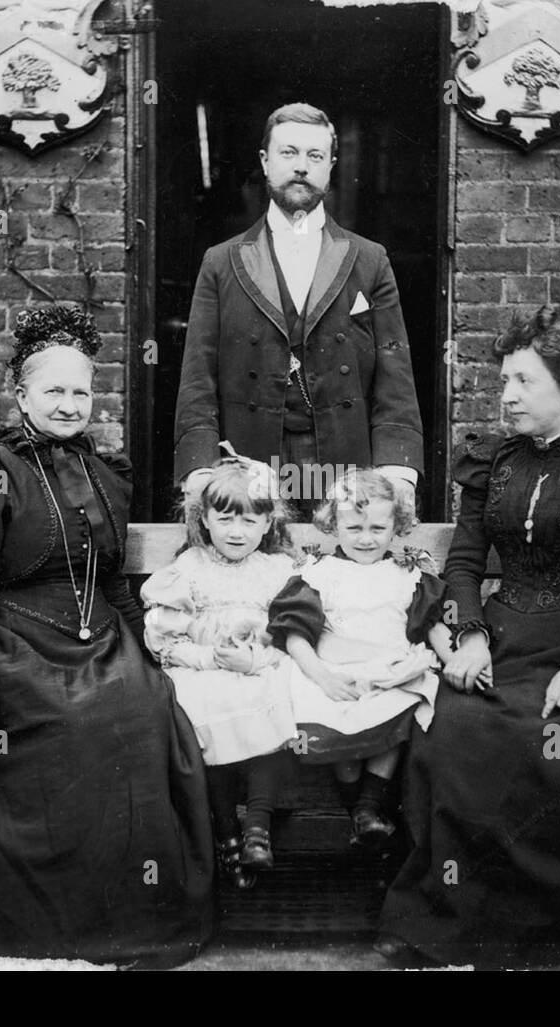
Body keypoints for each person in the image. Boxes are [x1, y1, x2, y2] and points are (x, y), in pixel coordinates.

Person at [0, 304, 215, 965]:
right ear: (23, 395)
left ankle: (117, 914)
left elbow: (113, 580)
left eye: (80, 391)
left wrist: (155, 651)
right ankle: (28, 923)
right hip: (1, 637)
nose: (68, 404)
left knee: (143, 712)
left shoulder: (105, 473)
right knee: (62, 726)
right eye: (53, 391)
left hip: (94, 636)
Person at [377, 305, 560, 968]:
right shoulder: (492, 465)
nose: (506, 396)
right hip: (504, 637)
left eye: (522, 381)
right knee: (451, 732)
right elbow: (462, 563)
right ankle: (462, 925)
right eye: (503, 381)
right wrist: (472, 635)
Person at [174, 102, 423, 517]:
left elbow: (394, 373)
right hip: (249, 460)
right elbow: (198, 374)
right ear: (265, 161)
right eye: (289, 153)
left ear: (331, 165)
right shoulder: (221, 262)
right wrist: (201, 468)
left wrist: (396, 469)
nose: (302, 167)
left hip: (343, 460)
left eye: (315, 156)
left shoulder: (369, 259)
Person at [267, 469, 451, 845]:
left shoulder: (406, 574)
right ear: (333, 525)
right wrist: (322, 677)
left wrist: (455, 658)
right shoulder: (319, 573)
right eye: (354, 529)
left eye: (377, 529)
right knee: (337, 717)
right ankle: (357, 807)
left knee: (407, 702)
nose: (366, 540)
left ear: (396, 525)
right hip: (334, 671)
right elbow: (295, 636)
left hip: (392, 671)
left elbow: (432, 625)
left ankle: (368, 806)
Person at [141, 450, 299, 888]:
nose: (237, 531)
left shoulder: (279, 571)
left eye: (250, 521)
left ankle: (257, 830)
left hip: (258, 668)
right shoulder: (189, 568)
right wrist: (210, 657)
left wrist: (257, 659)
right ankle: (227, 831)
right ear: (205, 519)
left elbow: (294, 636)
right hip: (202, 671)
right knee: (199, 709)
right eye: (226, 519)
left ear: (268, 523)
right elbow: (163, 637)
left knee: (275, 696)